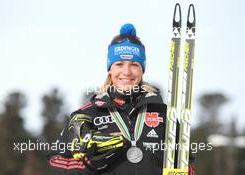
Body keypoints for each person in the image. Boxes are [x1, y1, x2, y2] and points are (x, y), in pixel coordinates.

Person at [48, 23, 195, 175]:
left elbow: (187, 161)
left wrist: (184, 171)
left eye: (134, 64)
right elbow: (55, 163)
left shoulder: (163, 114)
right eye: (119, 64)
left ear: (142, 69)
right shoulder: (88, 115)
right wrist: (91, 164)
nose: (126, 72)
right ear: (110, 69)